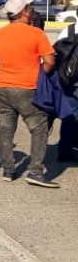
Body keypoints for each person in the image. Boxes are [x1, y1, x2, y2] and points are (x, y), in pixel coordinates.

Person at [0, 0, 58, 187]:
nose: (32, 10)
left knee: (6, 128)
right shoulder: (36, 33)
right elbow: (50, 61)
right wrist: (39, 75)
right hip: (27, 88)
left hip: (3, 86)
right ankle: (35, 171)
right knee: (39, 128)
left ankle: (8, 169)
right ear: (24, 11)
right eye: (30, 7)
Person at [55, 23, 78, 164]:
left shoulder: (67, 30)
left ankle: (65, 150)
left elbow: (57, 54)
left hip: (69, 80)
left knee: (70, 115)